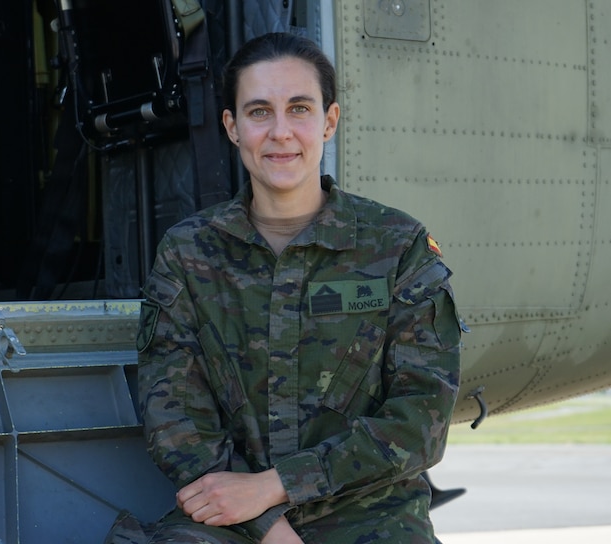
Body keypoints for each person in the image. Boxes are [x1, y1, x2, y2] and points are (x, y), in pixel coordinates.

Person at [133, 31, 464, 543]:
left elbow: (421, 419)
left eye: (300, 109)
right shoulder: (188, 253)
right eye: (259, 111)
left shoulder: (396, 247)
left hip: (372, 516)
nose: (280, 132)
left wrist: (278, 486)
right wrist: (266, 523)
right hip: (232, 519)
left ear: (329, 121)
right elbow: (175, 419)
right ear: (232, 127)